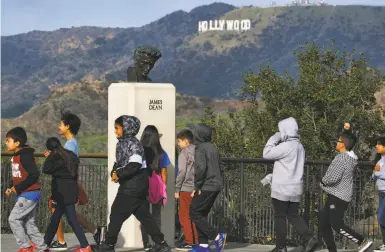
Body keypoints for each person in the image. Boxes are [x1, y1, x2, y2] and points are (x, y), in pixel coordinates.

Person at [97, 115, 171, 252]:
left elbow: (135, 164)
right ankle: (161, 243)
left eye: (117, 128)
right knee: (144, 215)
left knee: (116, 213)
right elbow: (119, 162)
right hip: (137, 184)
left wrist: (118, 174)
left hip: (133, 185)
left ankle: (108, 244)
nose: (115, 131)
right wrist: (115, 172)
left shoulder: (133, 143)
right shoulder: (123, 143)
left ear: (127, 128)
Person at [263, 117, 317, 252]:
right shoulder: (300, 146)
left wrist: (275, 137)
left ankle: (281, 247)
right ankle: (310, 238)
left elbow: (266, 154)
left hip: (282, 188)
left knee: (280, 216)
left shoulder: (285, 146)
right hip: (295, 187)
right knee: (293, 215)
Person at [46, 112, 98, 250]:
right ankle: (93, 234)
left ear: (67, 126)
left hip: (64, 186)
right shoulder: (71, 144)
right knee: (66, 214)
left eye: (61, 124)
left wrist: (52, 157)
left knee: (62, 213)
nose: (59, 126)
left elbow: (64, 165)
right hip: (68, 186)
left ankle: (64, 242)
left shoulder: (69, 146)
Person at [319, 123, 372, 252]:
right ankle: (332, 250)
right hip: (340, 195)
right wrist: (347, 130)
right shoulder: (351, 158)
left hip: (337, 196)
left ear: (342, 144)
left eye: (338, 141)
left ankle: (362, 241)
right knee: (324, 225)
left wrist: (322, 182)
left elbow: (333, 177)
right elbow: (351, 141)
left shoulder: (341, 158)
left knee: (336, 225)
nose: (336, 143)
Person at [42, 137, 91, 252]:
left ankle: (85, 246)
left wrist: (49, 157)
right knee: (56, 219)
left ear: (49, 148)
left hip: (61, 193)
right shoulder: (71, 155)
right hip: (71, 191)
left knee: (70, 220)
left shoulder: (55, 157)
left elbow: (46, 169)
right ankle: (44, 244)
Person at [5, 127, 48, 252]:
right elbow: (21, 176)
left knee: (13, 219)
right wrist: (13, 188)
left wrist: (18, 187)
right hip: (26, 193)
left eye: (8, 140)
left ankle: (25, 247)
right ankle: (42, 248)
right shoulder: (19, 155)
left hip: (29, 194)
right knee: (30, 224)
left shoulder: (25, 155)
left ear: (17, 143)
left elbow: (34, 174)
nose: (6, 143)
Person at [189, 123, 226, 252]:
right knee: (202, 214)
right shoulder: (213, 147)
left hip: (206, 185)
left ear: (198, 134)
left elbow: (201, 167)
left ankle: (216, 237)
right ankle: (203, 246)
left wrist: (197, 186)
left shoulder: (200, 148)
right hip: (216, 184)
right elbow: (221, 166)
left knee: (194, 212)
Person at [140, 125, 170, 251]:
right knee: (156, 215)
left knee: (144, 215)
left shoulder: (140, 151)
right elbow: (164, 172)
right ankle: (158, 243)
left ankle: (146, 244)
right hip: (157, 186)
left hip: (143, 185)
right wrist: (164, 187)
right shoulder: (161, 153)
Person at [175, 129, 198, 250]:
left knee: (184, 216)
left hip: (186, 188)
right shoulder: (199, 151)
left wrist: (177, 189)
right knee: (194, 215)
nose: (178, 144)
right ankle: (196, 240)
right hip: (197, 188)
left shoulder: (184, 153)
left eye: (179, 141)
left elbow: (182, 171)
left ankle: (189, 241)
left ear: (186, 141)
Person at [372, 137, 385, 252]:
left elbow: (380, 174)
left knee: (381, 218)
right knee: (381, 218)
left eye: (379, 144)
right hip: (381, 193)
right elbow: (373, 176)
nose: (377, 146)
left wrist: (377, 173)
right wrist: (374, 173)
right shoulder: (379, 161)